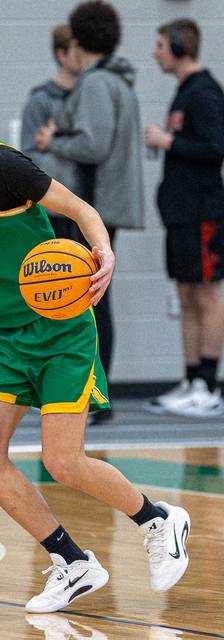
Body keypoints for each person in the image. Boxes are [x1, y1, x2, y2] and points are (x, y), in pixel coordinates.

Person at [0, 57, 190, 613]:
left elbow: (79, 208)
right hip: (4, 336)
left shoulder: (0, 165)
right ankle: (72, 562)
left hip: (60, 332)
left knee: (64, 460)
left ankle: (159, 521)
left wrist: (104, 252)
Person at [35, 1, 145, 425]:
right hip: (106, 202)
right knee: (94, 298)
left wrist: (53, 141)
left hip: (97, 204)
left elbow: (93, 145)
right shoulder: (117, 79)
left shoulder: (97, 82)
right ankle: (94, 394)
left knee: (89, 300)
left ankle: (96, 396)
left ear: (78, 42)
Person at [144, 18, 224, 417]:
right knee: (186, 294)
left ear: (180, 45)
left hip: (202, 210)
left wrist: (167, 141)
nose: (155, 53)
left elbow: (215, 148)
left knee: (207, 294)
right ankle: (192, 379)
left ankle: (209, 385)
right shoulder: (185, 91)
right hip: (180, 212)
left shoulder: (205, 92)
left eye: (160, 45)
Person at [20, 24, 81, 239]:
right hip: (54, 207)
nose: (83, 55)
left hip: (87, 201)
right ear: (61, 55)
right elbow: (29, 157)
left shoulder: (90, 98)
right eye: (77, 50)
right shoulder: (40, 101)